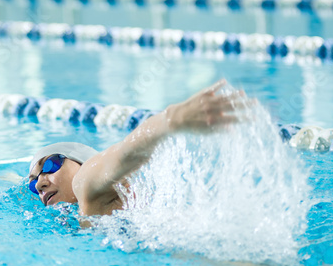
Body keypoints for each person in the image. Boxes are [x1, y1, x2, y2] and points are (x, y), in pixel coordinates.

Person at [28, 79, 248, 216]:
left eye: (50, 164)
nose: (39, 183)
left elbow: (124, 152)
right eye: (32, 184)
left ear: (81, 161)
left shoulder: (84, 185)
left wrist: (173, 118)